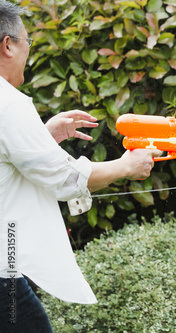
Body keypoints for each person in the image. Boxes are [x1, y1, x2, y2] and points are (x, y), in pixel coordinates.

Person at [0, 1, 161, 332]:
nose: (28, 52)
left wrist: (44, 136)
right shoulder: (8, 103)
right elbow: (67, 180)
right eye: (27, 42)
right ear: (8, 45)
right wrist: (127, 165)